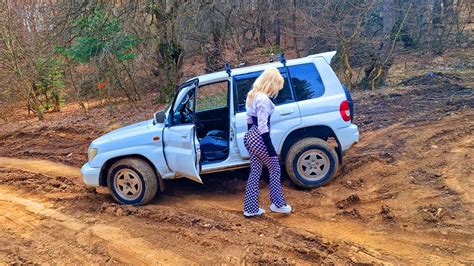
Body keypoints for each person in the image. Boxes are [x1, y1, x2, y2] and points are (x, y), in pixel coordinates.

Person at [243, 67, 292, 217]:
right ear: (272, 83)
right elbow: (263, 127)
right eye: (277, 85)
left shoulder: (252, 95)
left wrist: (251, 138)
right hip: (259, 136)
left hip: (250, 135)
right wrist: (270, 149)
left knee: (255, 171)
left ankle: (250, 209)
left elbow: (249, 120)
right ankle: (278, 204)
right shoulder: (263, 99)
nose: (277, 89)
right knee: (275, 167)